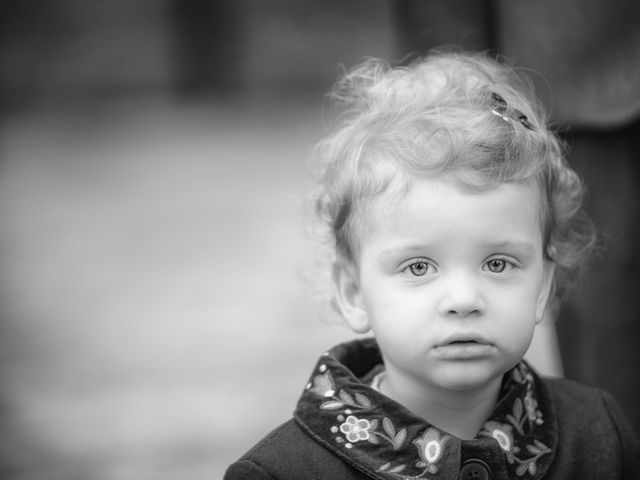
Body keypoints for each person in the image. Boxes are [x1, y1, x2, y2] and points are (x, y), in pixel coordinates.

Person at [224, 51, 639, 479]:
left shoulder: (597, 438)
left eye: (498, 263)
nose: (463, 300)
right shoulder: (282, 473)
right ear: (352, 292)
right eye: (419, 267)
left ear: (542, 288)